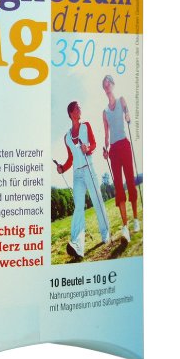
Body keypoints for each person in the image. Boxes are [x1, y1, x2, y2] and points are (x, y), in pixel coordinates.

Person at [56, 101, 110, 260]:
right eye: (78, 108)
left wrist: (88, 147)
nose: (80, 109)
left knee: (97, 201)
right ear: (72, 113)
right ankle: (77, 246)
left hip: (89, 169)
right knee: (78, 207)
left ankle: (106, 234)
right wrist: (62, 168)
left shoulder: (86, 126)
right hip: (77, 174)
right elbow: (71, 158)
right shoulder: (66, 137)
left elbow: (93, 144)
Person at [102, 74, 140, 243]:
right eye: (104, 85)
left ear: (113, 85)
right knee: (118, 187)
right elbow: (106, 135)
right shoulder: (104, 113)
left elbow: (128, 114)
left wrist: (128, 116)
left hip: (124, 144)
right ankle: (125, 226)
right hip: (114, 150)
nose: (107, 86)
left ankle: (136, 219)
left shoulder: (122, 100)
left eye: (108, 83)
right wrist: (105, 149)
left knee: (130, 182)